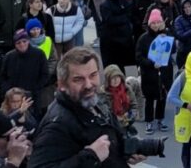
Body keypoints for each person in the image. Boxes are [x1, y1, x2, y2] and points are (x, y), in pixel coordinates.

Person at [28, 46, 164, 168]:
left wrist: (128, 152)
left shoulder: (94, 100)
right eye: (78, 79)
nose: (88, 85)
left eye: (93, 75)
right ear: (62, 85)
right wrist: (91, 156)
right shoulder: (57, 125)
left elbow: (109, 138)